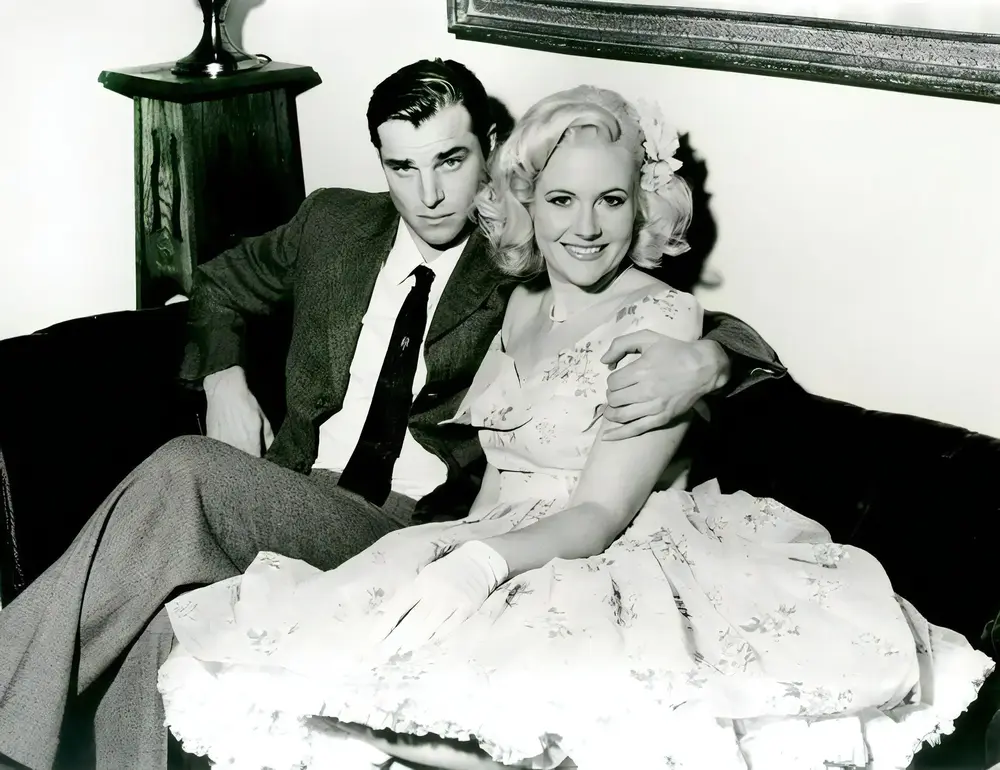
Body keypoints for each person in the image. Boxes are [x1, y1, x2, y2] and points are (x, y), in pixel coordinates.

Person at [155, 86, 993, 770]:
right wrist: (448, 549)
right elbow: (488, 471)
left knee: (486, 734)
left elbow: (596, 514)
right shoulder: (514, 304)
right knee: (289, 683)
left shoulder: (665, 320)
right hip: (483, 535)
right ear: (526, 202)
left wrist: (711, 358)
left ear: (646, 206)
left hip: (605, 553)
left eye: (611, 200)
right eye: (560, 198)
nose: (585, 227)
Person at [0, 61, 784, 770]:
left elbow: (662, 318)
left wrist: (713, 359)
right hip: (297, 489)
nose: (429, 194)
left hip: (403, 524)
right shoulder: (335, 223)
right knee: (169, 612)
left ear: (493, 152)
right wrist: (224, 378)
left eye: (451, 160)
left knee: (184, 471)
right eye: (402, 167)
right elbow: (219, 284)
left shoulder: (523, 250)